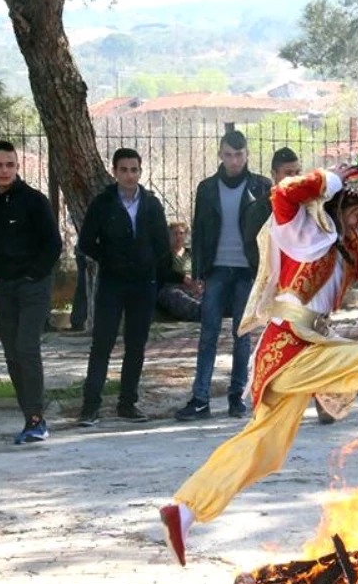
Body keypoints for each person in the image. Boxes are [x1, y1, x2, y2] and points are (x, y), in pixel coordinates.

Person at [158, 160, 358, 566]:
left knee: (263, 449)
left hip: (301, 347)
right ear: (339, 204)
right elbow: (283, 193)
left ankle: (184, 509)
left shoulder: (351, 247)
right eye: (357, 214)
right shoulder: (303, 229)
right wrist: (334, 178)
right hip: (293, 345)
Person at [175, 131, 272, 421]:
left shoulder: (261, 186)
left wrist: (266, 274)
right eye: (229, 155)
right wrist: (198, 273)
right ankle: (201, 399)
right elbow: (200, 230)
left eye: (239, 155)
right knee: (208, 334)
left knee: (242, 335)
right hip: (216, 270)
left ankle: (236, 396)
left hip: (247, 271)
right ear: (220, 154)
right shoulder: (207, 188)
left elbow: (269, 232)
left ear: (247, 155)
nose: (234, 161)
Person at [76, 148, 176, 426]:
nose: (129, 175)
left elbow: (161, 245)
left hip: (143, 285)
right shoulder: (103, 203)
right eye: (124, 170)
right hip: (111, 283)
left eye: (134, 170)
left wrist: (151, 268)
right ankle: (90, 406)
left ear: (140, 172)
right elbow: (86, 242)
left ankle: (128, 403)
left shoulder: (151, 204)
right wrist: (110, 260)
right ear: (115, 172)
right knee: (102, 344)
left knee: (136, 345)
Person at [0, 140, 63, 444]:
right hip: (4, 289)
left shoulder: (34, 201)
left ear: (17, 167)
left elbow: (54, 244)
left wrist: (32, 275)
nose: (4, 170)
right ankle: (28, 417)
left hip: (33, 286)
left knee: (27, 347)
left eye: (10, 165)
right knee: (12, 354)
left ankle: (37, 418)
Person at [156, 221, 201, 322]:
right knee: (178, 297)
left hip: (193, 287)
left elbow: (200, 270)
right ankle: (201, 312)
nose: (178, 236)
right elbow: (163, 273)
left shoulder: (191, 254)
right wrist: (183, 279)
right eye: (175, 233)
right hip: (172, 287)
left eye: (181, 233)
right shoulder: (164, 254)